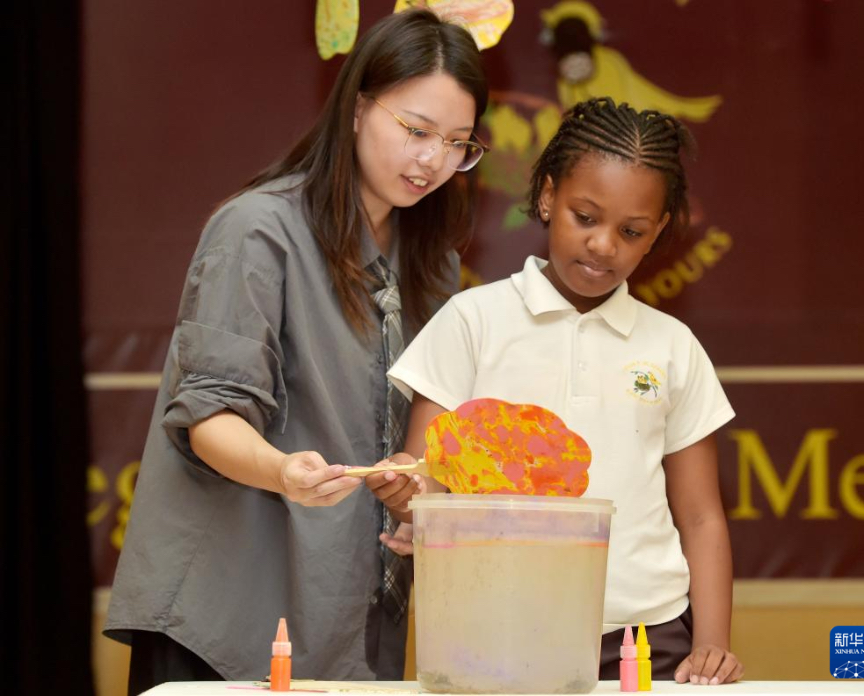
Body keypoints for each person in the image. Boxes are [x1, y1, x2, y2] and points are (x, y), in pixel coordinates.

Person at [103, 9, 488, 694]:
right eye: (416, 130)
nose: (433, 159)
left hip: (348, 624)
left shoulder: (433, 268)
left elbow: (423, 448)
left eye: (458, 142)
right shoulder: (258, 230)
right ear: (358, 107)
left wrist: (417, 493)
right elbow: (209, 418)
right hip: (227, 619)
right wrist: (284, 472)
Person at [384, 97, 745, 685]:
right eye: (586, 216)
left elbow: (701, 516)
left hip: (650, 635)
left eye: (630, 231)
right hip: (492, 622)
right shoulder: (473, 320)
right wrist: (403, 491)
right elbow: (426, 479)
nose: (604, 244)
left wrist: (711, 642)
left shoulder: (673, 346)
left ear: (655, 236)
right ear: (548, 197)